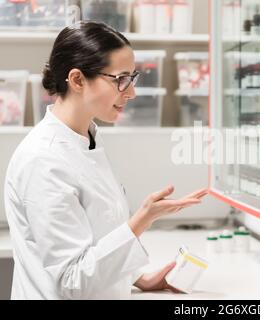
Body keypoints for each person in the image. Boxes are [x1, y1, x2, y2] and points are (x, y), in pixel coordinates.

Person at [3, 21, 207, 300]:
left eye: (132, 78)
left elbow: (95, 236)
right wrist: (140, 221)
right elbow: (72, 280)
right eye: (121, 79)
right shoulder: (43, 161)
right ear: (77, 80)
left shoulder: (86, 139)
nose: (132, 91)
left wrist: (139, 278)